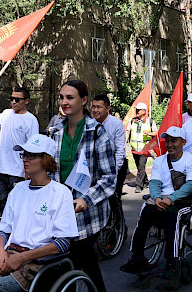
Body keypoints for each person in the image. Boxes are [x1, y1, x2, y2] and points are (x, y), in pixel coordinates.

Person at [0, 135, 79, 292]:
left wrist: (22, 257)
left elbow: (63, 243)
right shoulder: (18, 190)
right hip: (10, 257)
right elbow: (3, 229)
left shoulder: (60, 193)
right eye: (24, 154)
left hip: (39, 265)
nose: (25, 159)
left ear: (46, 159)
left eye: (31, 155)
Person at [46, 79, 116, 292]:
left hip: (88, 215)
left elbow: (109, 178)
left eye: (70, 97)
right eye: (61, 97)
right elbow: (50, 172)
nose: (64, 102)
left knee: (78, 258)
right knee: (73, 263)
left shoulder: (97, 133)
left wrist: (86, 199)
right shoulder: (55, 132)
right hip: (60, 211)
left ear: (84, 100)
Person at [120, 126, 192, 286]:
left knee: (174, 214)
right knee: (146, 210)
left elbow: (191, 185)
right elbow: (155, 182)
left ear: (183, 142)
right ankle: (137, 256)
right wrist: (157, 198)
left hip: (184, 200)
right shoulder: (159, 161)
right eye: (168, 141)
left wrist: (171, 198)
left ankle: (172, 261)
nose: (170, 144)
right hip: (161, 198)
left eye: (174, 141)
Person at [0, 86, 39, 216]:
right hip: (1, 170)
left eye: (17, 99)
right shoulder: (6, 114)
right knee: (3, 205)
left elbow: (33, 148)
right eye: (12, 99)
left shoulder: (31, 120)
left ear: (26, 101)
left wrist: (29, 171)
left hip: (18, 172)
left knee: (17, 206)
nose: (14, 102)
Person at [92, 94, 128, 203]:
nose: (95, 110)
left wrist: (114, 172)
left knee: (114, 199)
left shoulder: (116, 124)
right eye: (93, 107)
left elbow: (120, 149)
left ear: (107, 109)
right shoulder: (90, 123)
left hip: (115, 164)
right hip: (97, 165)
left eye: (99, 107)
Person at [128, 102, 157, 194]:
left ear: (144, 111)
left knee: (141, 166)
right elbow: (128, 131)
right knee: (139, 166)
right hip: (134, 148)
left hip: (144, 148)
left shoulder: (150, 121)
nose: (137, 111)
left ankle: (138, 185)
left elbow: (156, 132)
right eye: (136, 109)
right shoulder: (132, 121)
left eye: (139, 110)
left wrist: (149, 133)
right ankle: (146, 181)